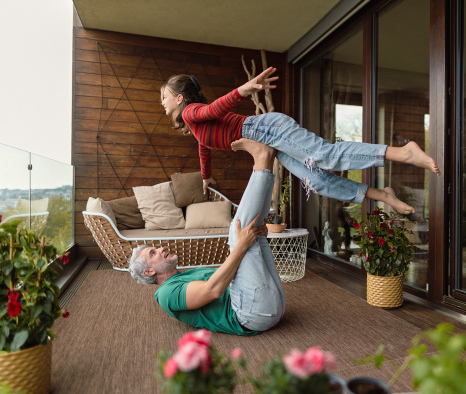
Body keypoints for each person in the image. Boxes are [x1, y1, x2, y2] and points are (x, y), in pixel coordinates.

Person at [160, 67, 441, 215]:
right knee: (318, 181)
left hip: (268, 130)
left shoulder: (192, 112)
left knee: (325, 155)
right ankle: (383, 194)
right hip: (272, 142)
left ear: (180, 98)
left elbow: (215, 109)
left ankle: (404, 153)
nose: (162, 103)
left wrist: (242, 91)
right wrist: (206, 177)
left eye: (164, 97)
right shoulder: (194, 125)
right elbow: (203, 148)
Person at [128, 141, 285, 335]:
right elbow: (213, 290)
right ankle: (261, 158)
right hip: (250, 314)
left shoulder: (186, 275)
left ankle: (268, 158)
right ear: (149, 272)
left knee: (254, 229)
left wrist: (253, 242)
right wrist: (241, 246)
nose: (160, 248)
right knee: (237, 233)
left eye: (156, 248)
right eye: (153, 253)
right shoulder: (165, 294)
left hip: (270, 305)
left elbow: (234, 274)